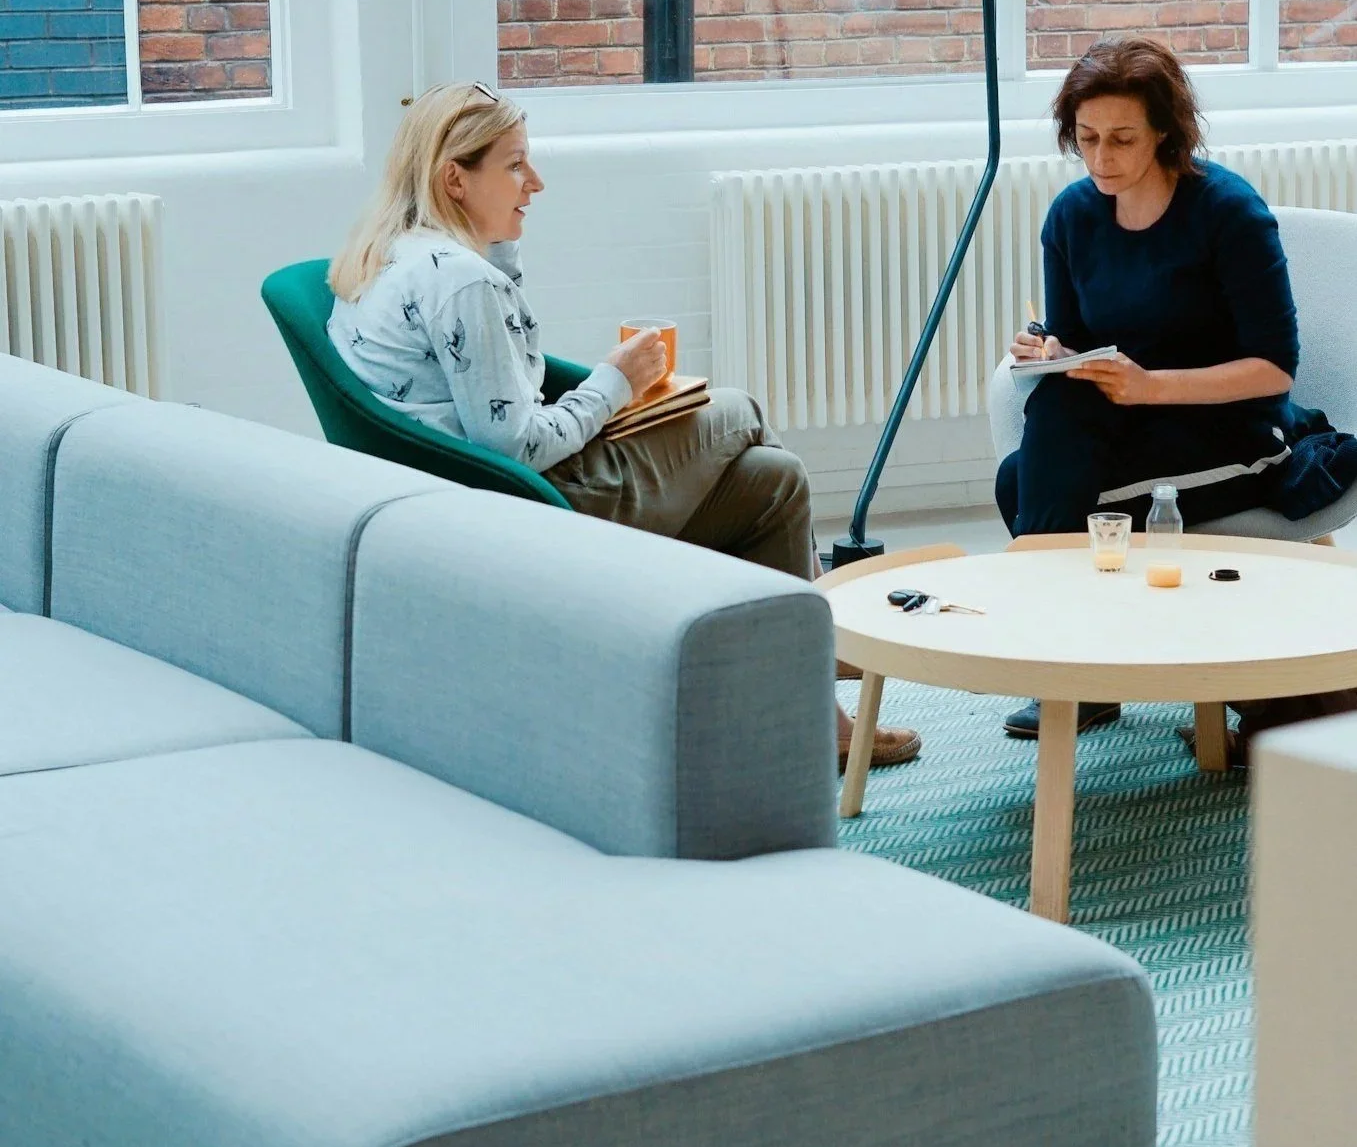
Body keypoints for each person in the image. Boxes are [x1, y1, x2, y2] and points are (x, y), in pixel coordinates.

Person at [328, 80, 918, 769]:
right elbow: (512, 442)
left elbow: (497, 397)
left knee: (774, 480)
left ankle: (809, 713)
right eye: (515, 164)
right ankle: (827, 646)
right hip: (536, 505)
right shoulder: (463, 282)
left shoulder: (400, 255)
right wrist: (615, 382)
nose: (536, 182)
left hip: (475, 499)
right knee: (738, 409)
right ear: (454, 177)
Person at [997, 37, 1300, 741]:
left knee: (1022, 484)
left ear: (1164, 130)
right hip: (1130, 423)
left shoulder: (1227, 213)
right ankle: (1078, 666)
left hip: (1233, 432)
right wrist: (1047, 350)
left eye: (1122, 138)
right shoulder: (1072, 215)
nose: (1101, 158)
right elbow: (1073, 342)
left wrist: (1148, 386)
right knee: (1035, 448)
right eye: (1086, 138)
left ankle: (1065, 663)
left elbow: (1274, 368)